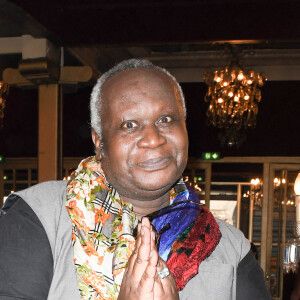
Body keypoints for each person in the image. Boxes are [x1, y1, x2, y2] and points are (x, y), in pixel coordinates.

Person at [0, 59, 271, 299]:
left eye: (166, 119)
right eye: (129, 125)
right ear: (99, 141)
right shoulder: (40, 217)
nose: (153, 139)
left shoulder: (230, 247)